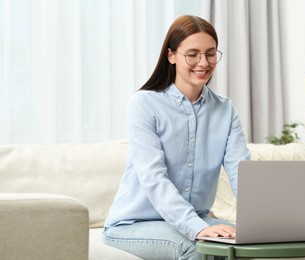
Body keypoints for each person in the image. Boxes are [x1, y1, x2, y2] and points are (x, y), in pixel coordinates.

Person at [103, 15, 250, 260]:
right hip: (134, 224)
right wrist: (198, 227)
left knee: (251, 244)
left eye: (210, 53)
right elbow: (153, 178)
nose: (203, 62)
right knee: (197, 248)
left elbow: (241, 171)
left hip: (199, 217)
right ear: (171, 56)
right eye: (192, 54)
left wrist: (267, 224)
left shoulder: (225, 110)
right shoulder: (144, 104)